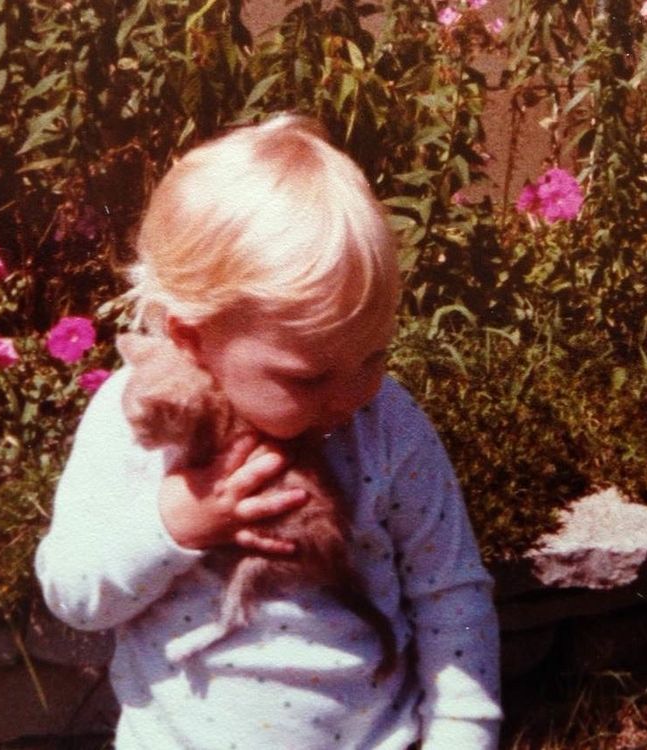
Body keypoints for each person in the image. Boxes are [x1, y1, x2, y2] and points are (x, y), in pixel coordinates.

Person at [35, 114, 502, 749]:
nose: (348, 395)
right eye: (307, 378)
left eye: (373, 358)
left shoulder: (386, 424)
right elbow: (74, 593)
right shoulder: (140, 420)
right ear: (191, 337)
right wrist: (174, 523)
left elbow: (451, 594)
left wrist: (460, 736)